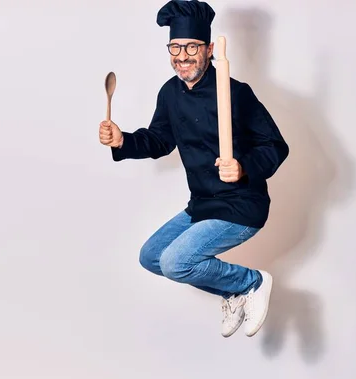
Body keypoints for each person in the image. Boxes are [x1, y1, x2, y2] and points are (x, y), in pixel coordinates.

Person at [98, 0, 289, 338]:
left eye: (191, 47)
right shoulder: (170, 93)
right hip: (202, 204)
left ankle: (252, 282)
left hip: (241, 206)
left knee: (175, 263)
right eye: (175, 47)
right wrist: (122, 140)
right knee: (152, 256)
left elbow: (275, 147)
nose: (182, 55)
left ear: (209, 49)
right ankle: (233, 291)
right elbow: (159, 141)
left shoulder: (236, 92)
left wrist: (243, 167)